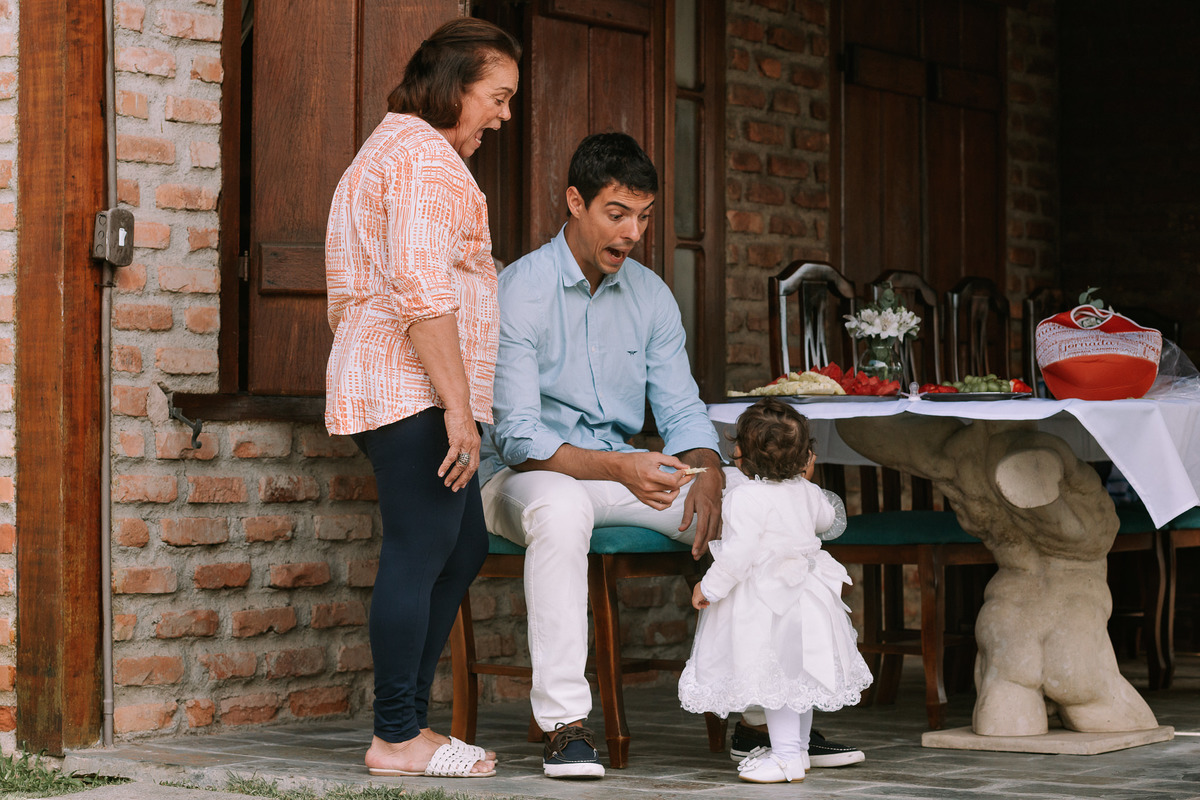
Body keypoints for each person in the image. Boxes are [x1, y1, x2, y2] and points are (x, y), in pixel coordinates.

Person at [478, 132, 863, 778]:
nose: (632, 233)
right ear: (575, 202)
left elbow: (684, 413)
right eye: (617, 213)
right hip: (525, 480)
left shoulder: (651, 296)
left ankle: (764, 719)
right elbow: (518, 439)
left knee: (753, 496)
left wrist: (710, 474)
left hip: (621, 469)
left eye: (644, 216)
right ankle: (564, 726)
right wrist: (621, 466)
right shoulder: (521, 290)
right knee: (561, 507)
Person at [324, 17, 520, 779]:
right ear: (453, 87)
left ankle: (406, 724)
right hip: (412, 389)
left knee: (460, 543)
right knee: (420, 548)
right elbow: (421, 288)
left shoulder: (398, 149)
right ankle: (396, 736)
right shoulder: (422, 161)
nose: (503, 116)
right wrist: (458, 405)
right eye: (496, 97)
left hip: (405, 385)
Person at [678, 398, 873, 783]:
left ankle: (784, 757)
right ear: (805, 457)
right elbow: (828, 520)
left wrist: (709, 587)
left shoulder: (745, 498)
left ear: (740, 455)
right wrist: (808, 481)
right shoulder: (807, 491)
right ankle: (796, 752)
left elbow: (737, 557)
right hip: (808, 598)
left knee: (779, 682)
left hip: (767, 604)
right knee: (798, 679)